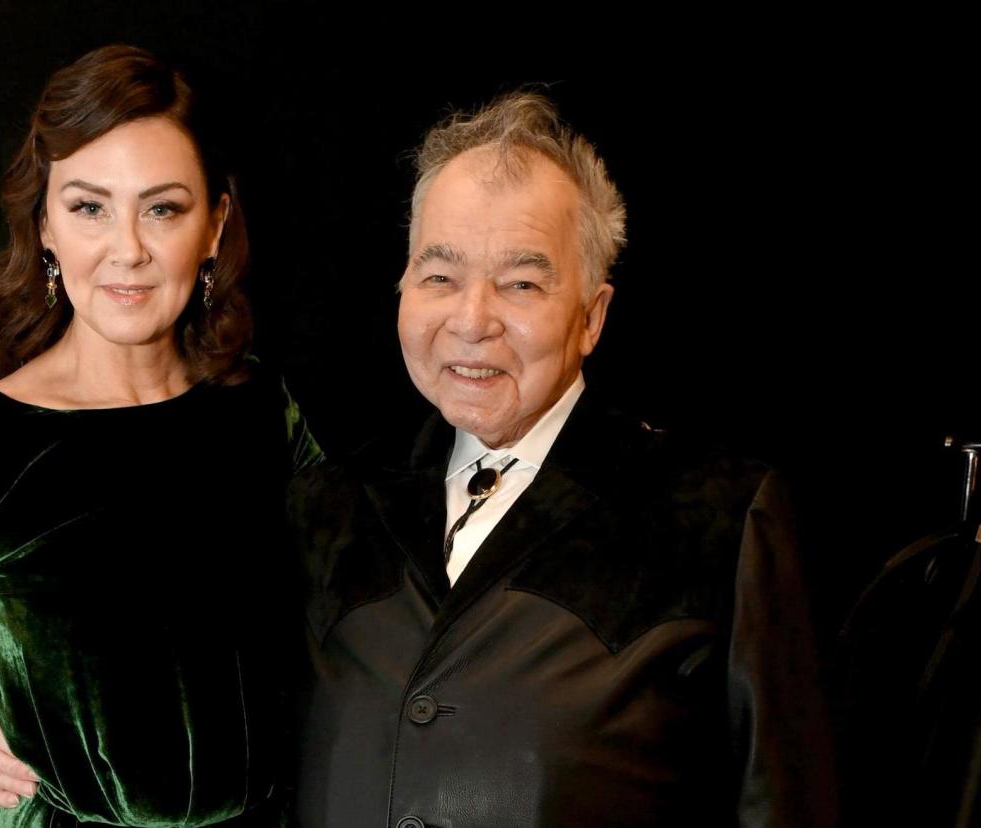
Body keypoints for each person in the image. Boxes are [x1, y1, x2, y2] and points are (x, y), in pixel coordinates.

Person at [289, 91, 837, 827]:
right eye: (439, 276)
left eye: (520, 283)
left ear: (591, 316)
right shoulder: (327, 506)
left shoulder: (721, 517)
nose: (472, 320)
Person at [0, 45, 320, 828]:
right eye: (89, 207)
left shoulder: (263, 413)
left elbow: (340, 638)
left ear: (214, 225)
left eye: (163, 208)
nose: (128, 249)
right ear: (44, 225)